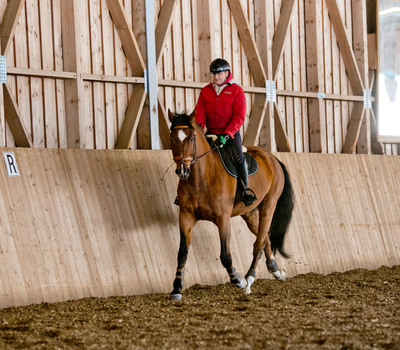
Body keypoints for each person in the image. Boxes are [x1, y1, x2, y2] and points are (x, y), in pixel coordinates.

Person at [195, 58, 257, 206]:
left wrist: (227, 134)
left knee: (239, 159)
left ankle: (245, 191)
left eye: (218, 74)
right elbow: (200, 114)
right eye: (213, 74)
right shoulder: (205, 91)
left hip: (230, 134)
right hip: (210, 133)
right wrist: (198, 129)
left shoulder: (237, 91)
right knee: (195, 155)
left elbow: (239, 117)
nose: (215, 77)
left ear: (227, 73)